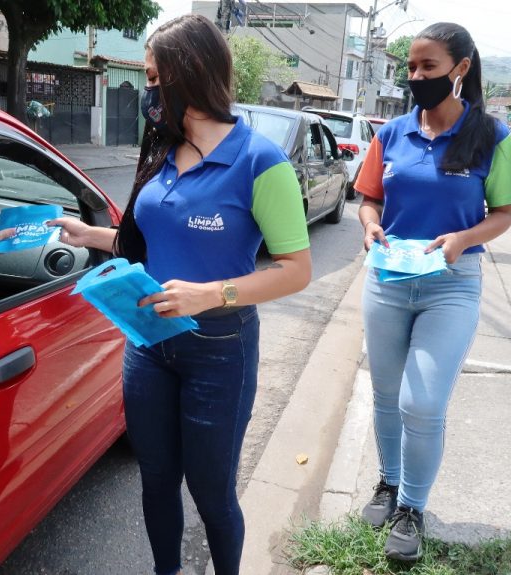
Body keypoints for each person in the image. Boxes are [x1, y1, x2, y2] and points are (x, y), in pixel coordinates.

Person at [48, 14, 311, 575]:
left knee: (212, 492)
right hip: (147, 344)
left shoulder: (260, 161)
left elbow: (296, 270)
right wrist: (92, 235)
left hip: (219, 348)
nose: (146, 92)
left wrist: (211, 294)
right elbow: (149, 240)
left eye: (152, 78)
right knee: (157, 479)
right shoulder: (162, 152)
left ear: (186, 75)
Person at [354, 22, 511, 562]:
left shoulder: (491, 136)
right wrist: (369, 226)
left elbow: (503, 214)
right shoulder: (391, 134)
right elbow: (368, 199)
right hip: (388, 279)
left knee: (421, 401)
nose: (417, 77)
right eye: (411, 67)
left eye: (429, 67)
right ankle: (388, 481)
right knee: (385, 395)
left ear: (461, 69)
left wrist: (464, 239)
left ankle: (412, 507)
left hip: (451, 285)